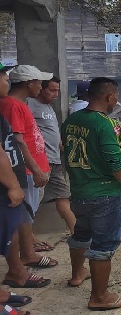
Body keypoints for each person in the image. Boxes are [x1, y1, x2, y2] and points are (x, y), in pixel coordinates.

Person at [61, 77, 121, 310]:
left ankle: (77, 274)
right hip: (104, 193)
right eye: (116, 97)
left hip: (79, 191)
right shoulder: (105, 124)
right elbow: (114, 160)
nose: (116, 101)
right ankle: (99, 297)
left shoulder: (71, 120)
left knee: (81, 234)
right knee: (104, 244)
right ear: (109, 96)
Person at [0, 65, 58, 279]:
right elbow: (17, 141)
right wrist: (36, 169)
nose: (41, 86)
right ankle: (27, 255)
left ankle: (28, 251)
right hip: (25, 170)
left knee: (26, 213)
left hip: (30, 168)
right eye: (39, 82)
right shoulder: (14, 105)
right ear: (29, 83)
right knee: (23, 214)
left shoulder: (18, 104)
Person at [0, 62, 35, 314]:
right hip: (4, 183)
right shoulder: (11, 106)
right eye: (3, 76)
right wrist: (13, 184)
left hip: (7, 180)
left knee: (8, 232)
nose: (6, 80)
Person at [27, 76, 75, 236]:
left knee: (63, 196)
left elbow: (52, 132)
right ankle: (29, 241)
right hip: (39, 161)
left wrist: (61, 146)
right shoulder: (29, 104)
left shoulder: (49, 107)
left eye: (57, 91)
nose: (55, 94)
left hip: (54, 161)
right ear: (41, 88)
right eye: (52, 90)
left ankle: (78, 232)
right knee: (32, 200)